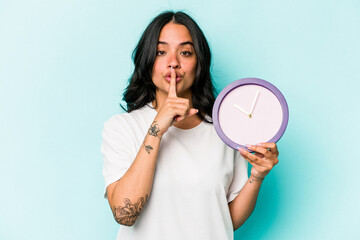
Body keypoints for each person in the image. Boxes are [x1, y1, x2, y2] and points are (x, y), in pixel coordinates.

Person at [101, 11, 279, 240]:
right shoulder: (122, 128)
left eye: (185, 52)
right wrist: (156, 128)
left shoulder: (224, 130)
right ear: (147, 62)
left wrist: (257, 176)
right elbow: (125, 214)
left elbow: (225, 219)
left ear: (199, 63)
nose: (173, 63)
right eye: (160, 52)